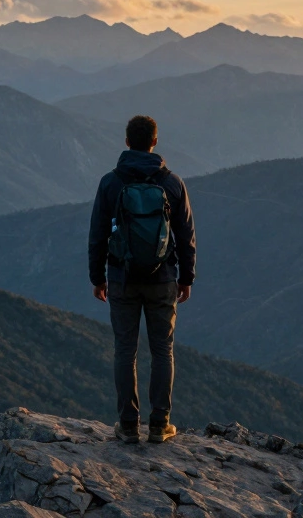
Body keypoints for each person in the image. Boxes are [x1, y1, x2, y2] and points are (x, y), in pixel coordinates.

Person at [88, 115, 196, 444]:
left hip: (122, 277)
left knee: (125, 351)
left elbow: (98, 234)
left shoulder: (111, 183)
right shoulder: (172, 183)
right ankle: (160, 424)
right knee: (162, 351)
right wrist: (186, 277)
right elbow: (186, 235)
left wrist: (98, 278)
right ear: (155, 142)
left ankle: (128, 425)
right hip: (163, 278)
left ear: (126, 142)